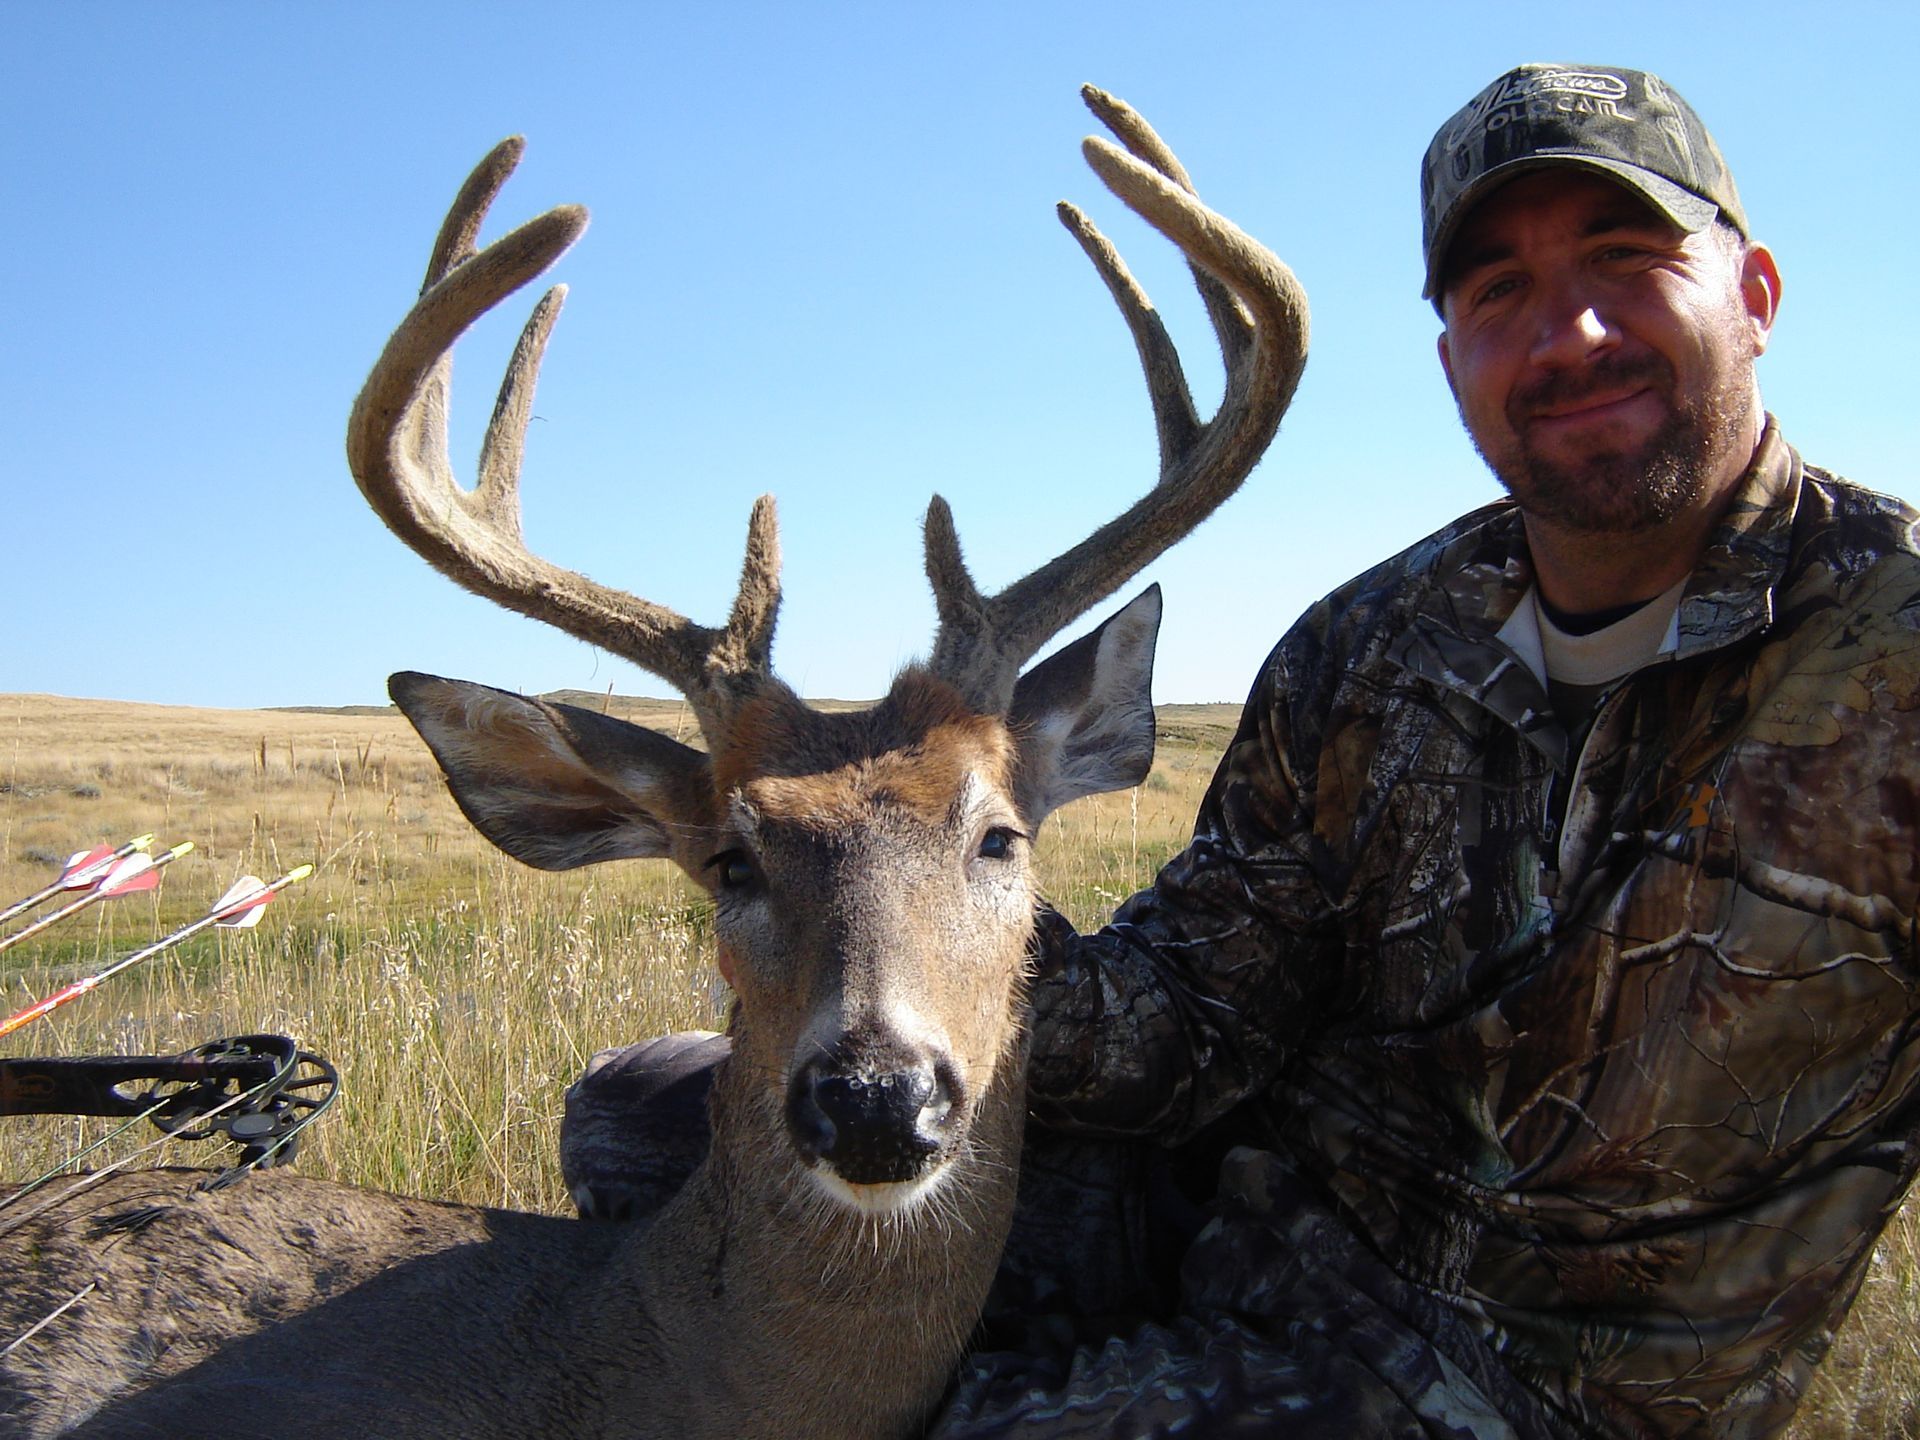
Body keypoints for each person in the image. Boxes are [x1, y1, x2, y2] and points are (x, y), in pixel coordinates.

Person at [570, 64, 1920, 1439]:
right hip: (1239, 1220)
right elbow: (1200, 1012)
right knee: (637, 1126)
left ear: (1754, 294)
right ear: (1453, 354)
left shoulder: (1895, 647)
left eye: (1627, 259)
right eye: (1497, 291)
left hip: (1522, 1379)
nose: (1568, 330)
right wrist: (898, 939)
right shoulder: (1375, 643)